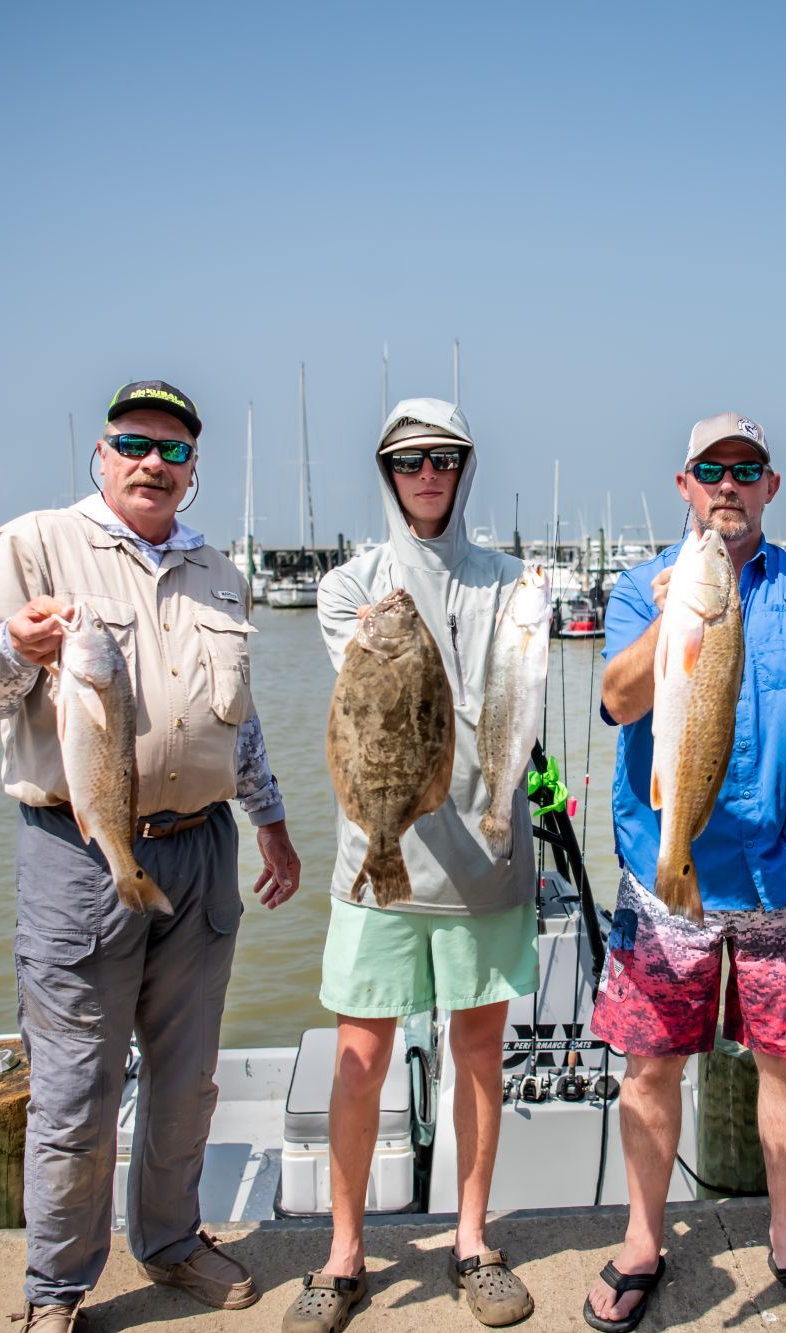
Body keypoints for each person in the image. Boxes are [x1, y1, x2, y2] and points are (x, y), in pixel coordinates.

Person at [0, 379, 303, 1332]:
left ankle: (174, 1240)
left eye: (174, 450)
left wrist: (270, 818)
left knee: (188, 1079)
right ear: (101, 454)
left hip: (201, 849)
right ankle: (55, 1288)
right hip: (77, 850)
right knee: (76, 1087)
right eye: (134, 443)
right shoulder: (33, 544)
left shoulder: (219, 570)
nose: (153, 462)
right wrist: (17, 649)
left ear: (193, 470)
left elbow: (242, 717)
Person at [587, 413, 786, 1333]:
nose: (728, 486)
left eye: (746, 471)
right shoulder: (643, 587)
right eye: (712, 469)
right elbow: (617, 698)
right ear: (684, 483)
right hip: (667, 872)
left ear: (771, 487)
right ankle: (641, 1240)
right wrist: (679, 613)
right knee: (652, 1062)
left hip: (781, 873)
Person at [289, 398, 538, 1333]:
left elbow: (511, 706)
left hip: (485, 855)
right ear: (387, 472)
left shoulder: (514, 583)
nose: (427, 473)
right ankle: (343, 1254)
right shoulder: (350, 585)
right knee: (360, 1056)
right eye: (408, 460)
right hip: (378, 853)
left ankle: (472, 1243)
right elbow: (373, 710)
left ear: (465, 467)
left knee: (479, 1050)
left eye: (444, 457)